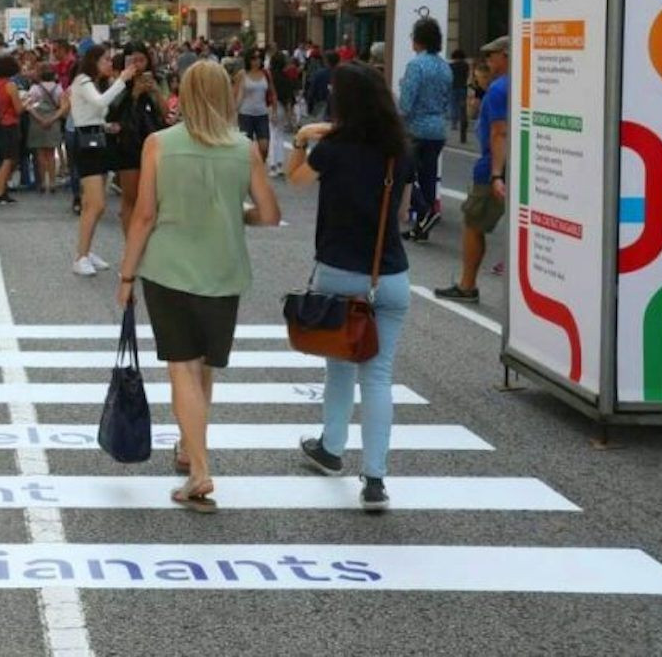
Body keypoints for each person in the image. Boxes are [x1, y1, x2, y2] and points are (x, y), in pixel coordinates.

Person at [115, 60, 281, 512]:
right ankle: (191, 450)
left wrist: (126, 274)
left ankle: (199, 470)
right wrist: (237, 214)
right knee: (203, 366)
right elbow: (269, 213)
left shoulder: (159, 144)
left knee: (181, 367)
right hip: (224, 270)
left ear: (184, 95)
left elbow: (145, 215)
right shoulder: (243, 148)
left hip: (169, 270)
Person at [286, 61, 415, 513]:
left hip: (338, 273)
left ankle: (332, 448)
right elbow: (400, 215)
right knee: (377, 376)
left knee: (339, 366)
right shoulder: (399, 148)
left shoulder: (334, 148)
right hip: (389, 275)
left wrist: (303, 139)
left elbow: (296, 180)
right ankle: (375, 479)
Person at [435, 36, 511, 304]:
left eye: (492, 56)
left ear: (505, 55)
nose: (488, 61)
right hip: (516, 164)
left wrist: (496, 174)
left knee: (472, 222)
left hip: (494, 165)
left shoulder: (500, 88)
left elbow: (499, 131)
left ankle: (467, 285)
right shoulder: (521, 83)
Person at [69, 45, 136, 276]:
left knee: (92, 204)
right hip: (87, 145)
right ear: (94, 61)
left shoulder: (93, 83)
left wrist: (107, 126)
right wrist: (123, 80)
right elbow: (99, 104)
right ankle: (81, 256)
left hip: (97, 139)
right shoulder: (83, 81)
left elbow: (91, 113)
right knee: (96, 204)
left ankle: (86, 251)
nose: (110, 63)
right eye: (106, 59)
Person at [398, 16, 451, 241]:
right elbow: (447, 99)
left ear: (418, 40)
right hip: (438, 128)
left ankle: (424, 210)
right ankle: (422, 227)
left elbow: (406, 104)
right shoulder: (444, 66)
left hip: (416, 129)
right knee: (429, 176)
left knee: (403, 173)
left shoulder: (416, 65)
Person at [108, 44, 168, 228]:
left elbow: (165, 112)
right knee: (130, 197)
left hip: (154, 142)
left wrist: (155, 91)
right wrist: (133, 94)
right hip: (128, 144)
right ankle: (130, 243)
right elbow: (113, 113)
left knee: (154, 197)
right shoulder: (119, 83)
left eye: (141, 60)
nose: (138, 65)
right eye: (133, 60)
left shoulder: (158, 79)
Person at [0, 54, 24, 204]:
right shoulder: (10, 85)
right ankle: (0, 191)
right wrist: (26, 103)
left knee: (3, 157)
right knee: (9, 159)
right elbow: (18, 109)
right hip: (10, 123)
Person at [25, 67, 66, 194]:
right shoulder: (59, 89)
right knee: (51, 153)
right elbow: (63, 106)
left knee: (40, 154)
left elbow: (28, 105)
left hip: (37, 122)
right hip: (53, 122)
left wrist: (40, 119)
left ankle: (43, 182)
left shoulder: (34, 89)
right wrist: (52, 119)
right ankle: (52, 182)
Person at [233, 50, 273, 160]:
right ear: (248, 60)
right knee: (246, 148)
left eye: (259, 58)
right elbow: (235, 94)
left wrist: (274, 111)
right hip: (246, 114)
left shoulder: (266, 73)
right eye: (253, 58)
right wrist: (233, 111)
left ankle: (260, 165)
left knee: (264, 147)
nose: (256, 61)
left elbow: (273, 92)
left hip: (262, 113)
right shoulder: (242, 74)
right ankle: (249, 171)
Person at [305, 50, 338, 120]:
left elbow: (312, 92)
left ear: (326, 61)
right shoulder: (343, 74)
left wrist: (310, 108)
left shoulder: (319, 74)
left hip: (321, 107)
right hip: (338, 108)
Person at [449, 48, 471, 143]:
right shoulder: (465, 65)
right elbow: (467, 76)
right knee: (463, 107)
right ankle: (463, 122)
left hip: (453, 87)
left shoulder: (450, 65)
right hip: (463, 87)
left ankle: (454, 123)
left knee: (453, 105)